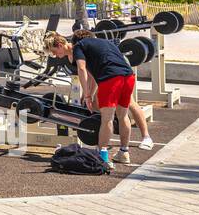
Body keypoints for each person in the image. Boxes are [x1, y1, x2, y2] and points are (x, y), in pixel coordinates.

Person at [44, 30, 136, 167]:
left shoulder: (78, 47)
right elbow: (92, 74)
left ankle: (102, 157)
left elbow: (81, 69)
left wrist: (86, 94)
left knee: (107, 119)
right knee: (123, 116)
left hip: (111, 79)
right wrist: (89, 94)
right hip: (128, 76)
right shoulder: (100, 42)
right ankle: (124, 152)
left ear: (59, 44)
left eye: (53, 51)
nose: (55, 56)